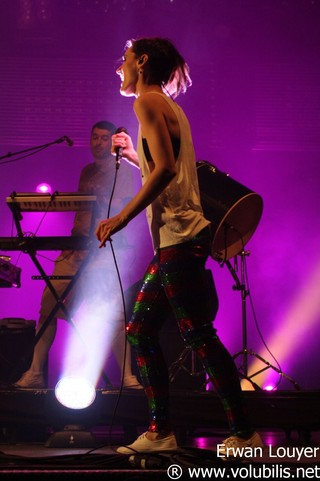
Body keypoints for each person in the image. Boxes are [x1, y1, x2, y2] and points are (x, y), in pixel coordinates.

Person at [95, 37, 263, 455]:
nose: (120, 69)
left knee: (197, 336)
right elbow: (168, 166)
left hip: (180, 238)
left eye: (126, 61)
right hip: (181, 239)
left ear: (143, 62)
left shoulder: (147, 104)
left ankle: (243, 435)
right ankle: (162, 432)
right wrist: (136, 157)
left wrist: (121, 217)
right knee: (142, 330)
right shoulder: (168, 106)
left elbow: (168, 170)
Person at [15, 120, 142, 390]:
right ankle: (35, 371)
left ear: (114, 142)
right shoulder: (87, 171)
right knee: (49, 302)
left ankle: (126, 377)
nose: (98, 143)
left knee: (115, 313)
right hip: (76, 248)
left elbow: (120, 207)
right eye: (94, 137)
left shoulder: (124, 171)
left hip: (107, 249)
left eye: (104, 138)